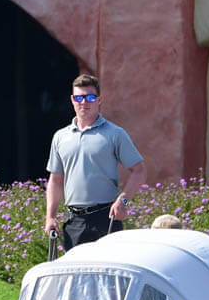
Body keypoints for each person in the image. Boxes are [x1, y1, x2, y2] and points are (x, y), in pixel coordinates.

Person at [44, 74, 146, 251]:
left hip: (106, 219)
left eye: (90, 97)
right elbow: (56, 180)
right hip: (73, 222)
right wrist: (50, 216)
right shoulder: (60, 137)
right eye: (79, 98)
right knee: (75, 270)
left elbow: (139, 171)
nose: (84, 102)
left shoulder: (115, 134)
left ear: (99, 100)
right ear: (72, 100)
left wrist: (123, 201)